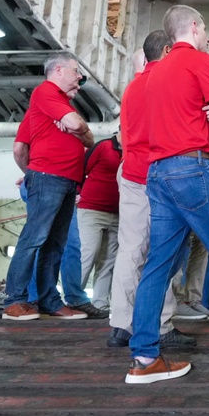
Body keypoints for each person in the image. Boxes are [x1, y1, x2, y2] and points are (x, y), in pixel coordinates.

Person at [126, 5, 209, 385]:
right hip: (193, 168)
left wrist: (202, 119)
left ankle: (144, 357)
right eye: (206, 30)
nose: (208, 38)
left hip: (157, 172)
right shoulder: (201, 62)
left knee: (157, 266)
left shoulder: (150, 75)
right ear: (196, 27)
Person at [108, 31, 194, 350]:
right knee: (162, 252)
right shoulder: (164, 84)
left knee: (131, 249)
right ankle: (160, 323)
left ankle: (122, 323)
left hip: (131, 171)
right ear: (167, 51)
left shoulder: (134, 86)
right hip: (156, 174)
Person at [3, 51, 94, 321]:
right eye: (75, 70)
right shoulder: (45, 93)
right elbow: (79, 126)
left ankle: (49, 301)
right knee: (34, 239)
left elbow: (88, 137)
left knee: (55, 243)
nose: (79, 77)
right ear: (58, 71)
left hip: (67, 181)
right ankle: (15, 300)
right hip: (49, 178)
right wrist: (34, 173)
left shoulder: (52, 107)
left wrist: (77, 127)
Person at [77, 133, 122, 313]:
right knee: (88, 253)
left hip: (118, 214)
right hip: (92, 210)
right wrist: (77, 191)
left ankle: (100, 303)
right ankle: (73, 299)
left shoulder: (133, 149)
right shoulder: (104, 147)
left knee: (109, 261)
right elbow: (81, 168)